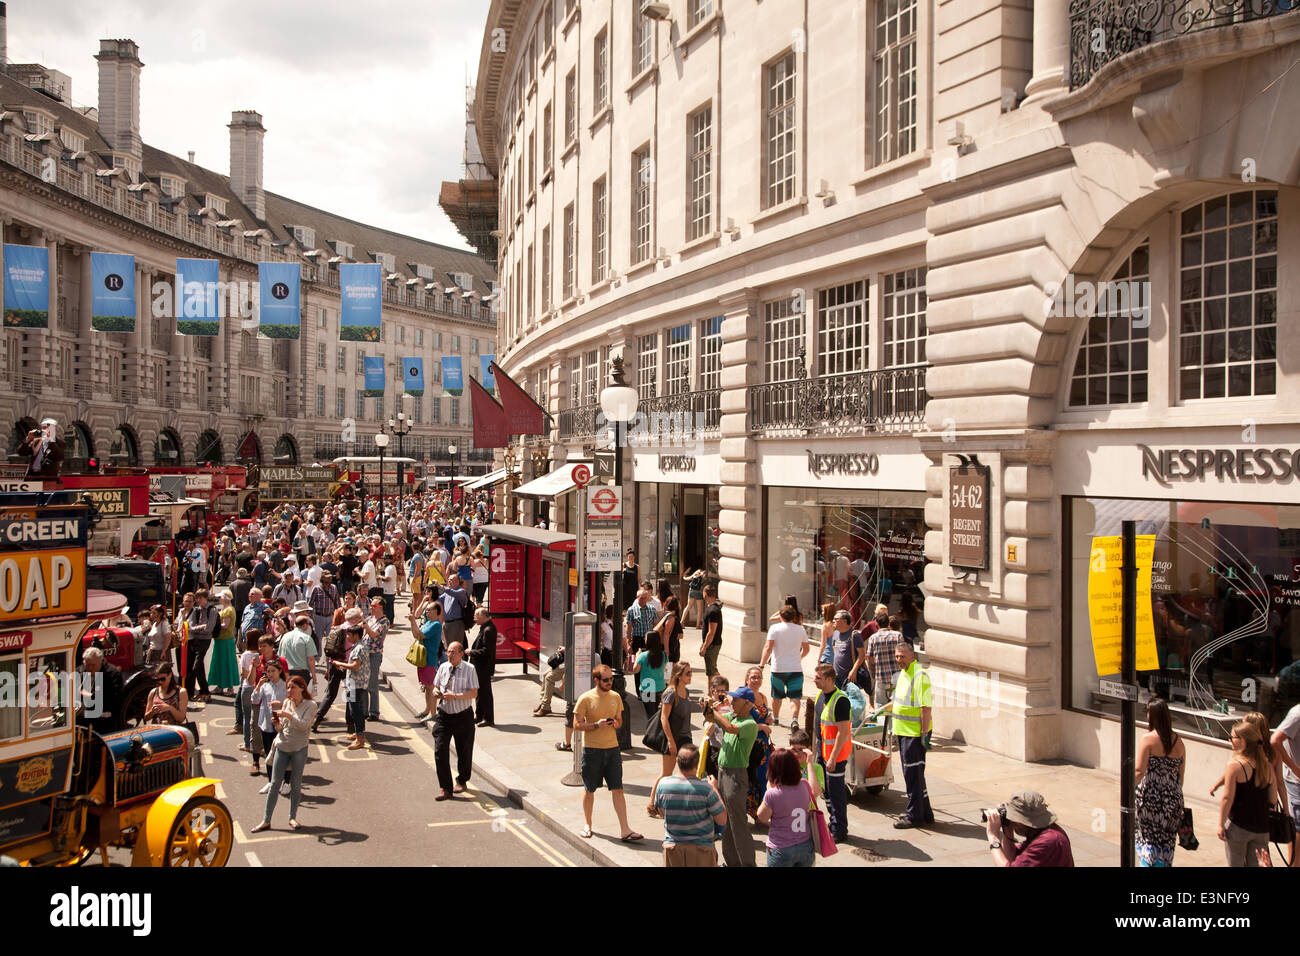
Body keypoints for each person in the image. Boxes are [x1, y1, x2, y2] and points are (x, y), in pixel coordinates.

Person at [574, 664, 642, 841]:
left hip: (612, 750)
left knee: (618, 789)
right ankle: (588, 824)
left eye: (611, 679)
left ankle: (625, 829)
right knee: (589, 790)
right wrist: (597, 725)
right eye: (606, 680)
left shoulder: (616, 697)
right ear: (596, 680)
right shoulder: (585, 699)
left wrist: (615, 723)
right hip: (592, 751)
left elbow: (619, 721)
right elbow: (577, 725)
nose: (609, 682)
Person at [876, 638, 933, 829]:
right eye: (897, 656)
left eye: (902, 656)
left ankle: (914, 815)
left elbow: (926, 708)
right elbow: (898, 700)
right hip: (903, 732)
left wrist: (924, 735)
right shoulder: (902, 674)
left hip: (914, 734)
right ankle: (925, 812)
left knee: (912, 775)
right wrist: (880, 710)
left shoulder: (920, 675)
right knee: (915, 774)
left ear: (912, 656)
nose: (899, 659)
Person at [250, 675, 318, 833]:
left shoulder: (311, 705)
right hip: (282, 745)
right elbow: (283, 729)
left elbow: (304, 726)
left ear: (302, 688)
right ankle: (266, 820)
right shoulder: (287, 702)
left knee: (295, 783)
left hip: (299, 748)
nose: (289, 691)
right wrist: (278, 725)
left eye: (292, 687)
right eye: (288, 688)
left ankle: (292, 817)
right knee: (274, 784)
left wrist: (288, 715)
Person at [648, 743, 726, 867]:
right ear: (697, 763)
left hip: (673, 848)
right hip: (701, 850)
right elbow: (722, 820)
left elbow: (662, 813)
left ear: (677, 761)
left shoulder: (663, 785)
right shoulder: (706, 789)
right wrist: (715, 789)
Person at [707, 685, 759, 867]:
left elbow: (728, 727)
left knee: (738, 823)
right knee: (726, 820)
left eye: (735, 700)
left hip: (735, 775)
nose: (732, 702)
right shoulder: (734, 716)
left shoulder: (749, 724)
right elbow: (715, 720)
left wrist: (714, 710)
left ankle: (747, 864)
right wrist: (707, 708)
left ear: (747, 703)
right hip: (723, 772)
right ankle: (732, 862)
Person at [1218, 719, 1277, 867]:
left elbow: (1227, 797)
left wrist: (1220, 824)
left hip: (1238, 826)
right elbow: (1273, 799)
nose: (1230, 740)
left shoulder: (1235, 765)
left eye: (1233, 737)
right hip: (1261, 828)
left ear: (1243, 741)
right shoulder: (1267, 766)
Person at [1135, 698, 1186, 867]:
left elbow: (1139, 771)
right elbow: (1181, 776)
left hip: (1151, 796)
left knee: (1148, 837)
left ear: (1152, 716)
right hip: (1173, 798)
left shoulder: (1148, 739)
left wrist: (1127, 789)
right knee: (1167, 839)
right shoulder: (1179, 742)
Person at [430, 642, 479, 800]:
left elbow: (473, 693)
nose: (449, 655)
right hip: (445, 715)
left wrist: (455, 696)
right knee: (440, 750)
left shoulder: (469, 669)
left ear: (461, 654)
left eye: (453, 652)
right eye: (448, 651)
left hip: (463, 716)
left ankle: (462, 780)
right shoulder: (443, 667)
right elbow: (435, 686)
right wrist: (437, 692)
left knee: (464, 751)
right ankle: (445, 788)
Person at [757, 747, 821, 867]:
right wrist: (809, 762)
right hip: (805, 845)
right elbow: (815, 790)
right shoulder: (805, 785)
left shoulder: (773, 793)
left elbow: (762, 817)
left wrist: (768, 790)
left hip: (781, 848)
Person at [811, 662, 851, 842]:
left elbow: (843, 732)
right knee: (826, 792)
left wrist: (833, 758)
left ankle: (840, 830)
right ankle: (833, 822)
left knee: (836, 794)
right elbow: (818, 728)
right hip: (822, 753)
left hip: (835, 757)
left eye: (818, 678)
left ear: (829, 679)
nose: (814, 680)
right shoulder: (821, 695)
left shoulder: (841, 700)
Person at [984, 791, 1075, 866]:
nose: (1014, 821)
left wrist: (993, 837)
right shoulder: (1042, 832)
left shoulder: (1047, 841)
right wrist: (1008, 830)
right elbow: (1011, 859)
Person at [759, 604, 809, 727]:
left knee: (777, 696)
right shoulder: (800, 629)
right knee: (795, 696)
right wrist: (799, 657)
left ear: (780, 616)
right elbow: (806, 649)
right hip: (795, 669)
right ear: (794, 616)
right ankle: (794, 719)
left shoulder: (774, 628)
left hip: (778, 669)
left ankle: (776, 718)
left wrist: (761, 665)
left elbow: (768, 648)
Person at [1271, 702, 1300, 866]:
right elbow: (1275, 740)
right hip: (1297, 783)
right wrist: (1295, 769)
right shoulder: (1297, 714)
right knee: (1298, 829)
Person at [654, 662, 695, 777]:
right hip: (673, 738)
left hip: (686, 737)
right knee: (666, 773)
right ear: (679, 675)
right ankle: (654, 795)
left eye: (691, 672)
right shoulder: (671, 693)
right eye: (688, 673)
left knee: (689, 772)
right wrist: (670, 741)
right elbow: (664, 717)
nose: (690, 675)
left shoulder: (686, 692)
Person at [250, 660, 288, 779]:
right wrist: (258, 686)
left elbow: (293, 704)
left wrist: (281, 703)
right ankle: (271, 780)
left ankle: (284, 779)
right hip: (266, 724)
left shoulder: (286, 686)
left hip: (281, 724)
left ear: (280, 671)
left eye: (273, 671)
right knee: (269, 753)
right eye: (268, 671)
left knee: (281, 753)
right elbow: (255, 700)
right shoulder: (265, 686)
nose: (270, 674)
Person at [77, 647, 124, 734]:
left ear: (100, 662)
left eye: (93, 665)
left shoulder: (112, 674)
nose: (90, 668)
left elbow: (114, 698)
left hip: (103, 718)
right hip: (82, 716)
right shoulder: (80, 670)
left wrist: (91, 696)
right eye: (87, 665)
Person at [413, 602, 444, 722]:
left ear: (436, 611)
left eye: (429, 610)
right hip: (422, 659)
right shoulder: (428, 623)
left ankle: (432, 713)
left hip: (430, 659)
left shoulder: (436, 624)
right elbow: (416, 635)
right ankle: (427, 709)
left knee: (431, 686)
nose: (427, 612)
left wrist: (412, 621)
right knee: (426, 686)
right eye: (426, 610)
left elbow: (420, 635)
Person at [185, 589, 217, 702]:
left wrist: (197, 629)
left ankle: (205, 691)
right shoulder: (196, 610)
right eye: (197, 598)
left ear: (205, 598)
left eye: (200, 598)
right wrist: (199, 627)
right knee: (198, 666)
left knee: (196, 666)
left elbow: (209, 629)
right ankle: (204, 691)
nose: (198, 600)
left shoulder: (212, 610)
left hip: (205, 640)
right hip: (195, 640)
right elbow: (191, 627)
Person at [866, 614, 905, 707]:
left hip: (881, 678)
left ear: (877, 624)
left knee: (881, 707)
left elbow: (870, 658)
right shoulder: (898, 635)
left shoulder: (873, 638)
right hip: (897, 677)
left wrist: (878, 664)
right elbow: (904, 654)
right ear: (888, 623)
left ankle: (882, 722)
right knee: (896, 705)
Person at [361, 597, 389, 721]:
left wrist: (365, 624)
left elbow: (373, 634)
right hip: (365, 653)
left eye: (374, 606)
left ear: (380, 607)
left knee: (372, 684)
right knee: (364, 684)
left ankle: (374, 712)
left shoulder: (384, 622)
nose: (371, 608)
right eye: (371, 606)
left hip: (374, 655)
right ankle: (364, 710)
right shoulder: (370, 618)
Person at [208, 590, 240, 695]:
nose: (219, 599)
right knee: (219, 663)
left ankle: (229, 688)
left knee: (227, 663)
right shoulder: (226, 609)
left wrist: (211, 626)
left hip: (225, 640)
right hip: (221, 639)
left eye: (220, 597)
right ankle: (220, 686)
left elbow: (225, 625)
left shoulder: (229, 610)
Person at [828, 610, 865, 690]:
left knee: (849, 700)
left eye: (836, 619)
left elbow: (862, 654)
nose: (833, 621)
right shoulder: (835, 634)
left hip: (849, 677)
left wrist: (854, 671)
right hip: (836, 676)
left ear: (844, 621)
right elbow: (835, 651)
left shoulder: (854, 635)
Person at [634, 632, 668, 719]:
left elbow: (635, 670)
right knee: (656, 713)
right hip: (660, 687)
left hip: (647, 687)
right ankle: (655, 731)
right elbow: (666, 670)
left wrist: (637, 657)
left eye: (646, 638)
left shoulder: (643, 656)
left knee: (650, 715)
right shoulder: (663, 655)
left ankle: (652, 731)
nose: (644, 640)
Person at [280, 613, 318, 689]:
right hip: (301, 674)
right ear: (304, 625)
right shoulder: (307, 638)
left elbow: (280, 656)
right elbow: (311, 659)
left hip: (286, 673)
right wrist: (314, 676)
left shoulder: (285, 636)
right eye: (308, 624)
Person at [144, 662, 188, 726]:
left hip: (174, 732)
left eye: (162, 679)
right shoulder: (153, 692)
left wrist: (170, 708)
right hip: (157, 731)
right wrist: (152, 711)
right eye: (158, 679)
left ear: (170, 675)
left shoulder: (181, 692)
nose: (160, 682)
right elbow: (146, 717)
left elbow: (181, 718)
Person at [235, 632, 259, 747]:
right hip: (258, 688)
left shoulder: (245, 655)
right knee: (258, 718)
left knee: (247, 717)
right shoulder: (261, 654)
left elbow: (243, 673)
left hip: (247, 688)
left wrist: (240, 662)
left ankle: (247, 744)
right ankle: (258, 743)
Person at [625, 586, 658, 663]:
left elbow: (656, 625)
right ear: (637, 598)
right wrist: (628, 644)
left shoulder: (652, 609)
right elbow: (628, 628)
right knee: (637, 662)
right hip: (637, 639)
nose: (643, 600)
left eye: (645, 598)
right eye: (641, 598)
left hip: (649, 639)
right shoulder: (631, 610)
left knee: (649, 662)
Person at [699, 586, 724, 678]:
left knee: (711, 672)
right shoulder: (714, 609)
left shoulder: (713, 611)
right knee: (712, 670)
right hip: (712, 643)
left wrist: (705, 647)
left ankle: (714, 690)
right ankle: (716, 689)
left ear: (705, 594)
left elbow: (711, 632)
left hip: (712, 645)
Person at [535, 645, 565, 718]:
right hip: (564, 661)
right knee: (545, 674)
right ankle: (543, 703)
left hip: (573, 663)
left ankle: (545, 707)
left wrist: (565, 649)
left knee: (549, 677)